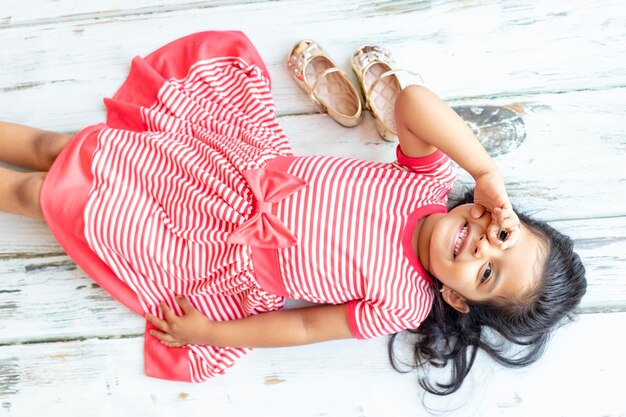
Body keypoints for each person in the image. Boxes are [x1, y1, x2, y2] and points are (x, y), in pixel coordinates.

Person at [0, 31, 586, 392]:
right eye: (502, 235)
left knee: (46, 198)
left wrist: (210, 331)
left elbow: (305, 324)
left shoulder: (403, 302)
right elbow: (412, 101)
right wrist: (485, 173)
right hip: (216, 170)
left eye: (487, 273)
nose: (483, 246)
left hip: (204, 244)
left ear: (457, 299)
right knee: (62, 147)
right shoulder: (428, 179)